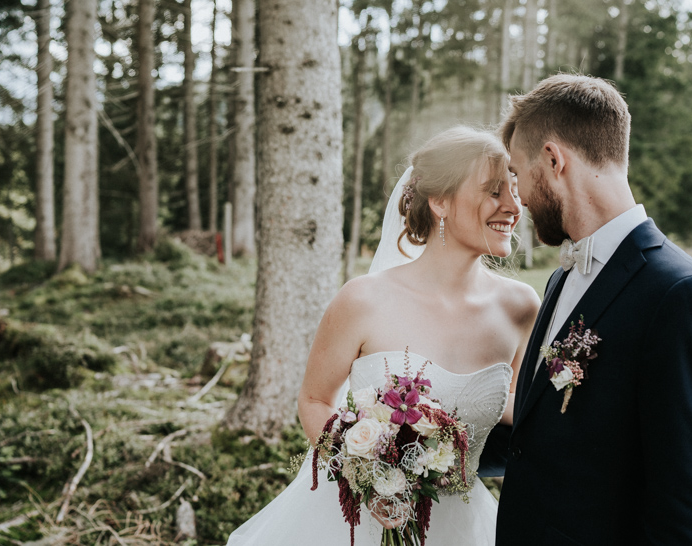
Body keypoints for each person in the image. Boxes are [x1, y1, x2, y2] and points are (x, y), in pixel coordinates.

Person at [227, 126, 540, 545]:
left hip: (464, 526)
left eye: (515, 191)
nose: (513, 207)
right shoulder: (363, 300)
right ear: (440, 201)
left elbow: (518, 411)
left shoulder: (521, 307)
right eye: (494, 191)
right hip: (357, 524)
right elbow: (315, 399)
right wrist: (368, 475)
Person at [488, 74, 692, 545]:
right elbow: (551, 434)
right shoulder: (561, 278)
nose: (519, 195)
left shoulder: (684, 298)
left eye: (517, 172)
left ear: (552, 159)